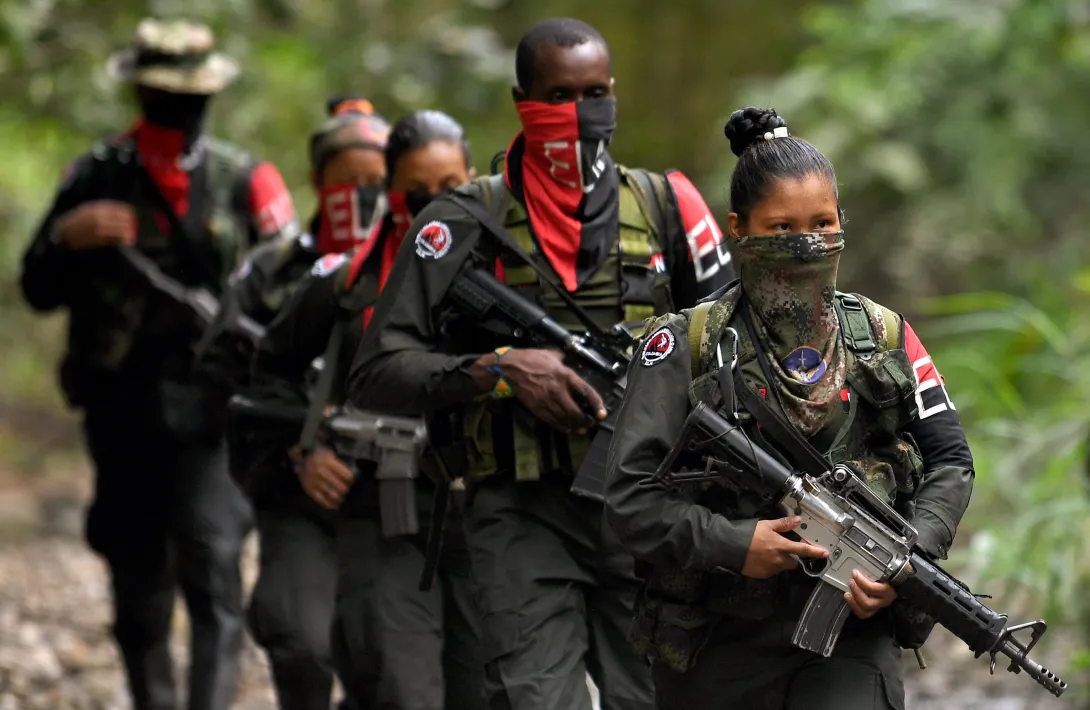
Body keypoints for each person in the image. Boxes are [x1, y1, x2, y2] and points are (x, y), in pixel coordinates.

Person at [348, 18, 737, 710]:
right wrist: (499, 369)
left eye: (595, 94)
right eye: (558, 95)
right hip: (521, 517)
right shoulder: (462, 221)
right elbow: (379, 370)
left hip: (646, 517)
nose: (580, 115)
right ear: (520, 98)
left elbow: (734, 352)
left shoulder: (668, 206)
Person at [604, 106, 976, 710]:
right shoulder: (687, 345)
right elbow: (626, 500)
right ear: (738, 227)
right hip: (718, 644)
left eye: (822, 223)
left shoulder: (881, 334)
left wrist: (905, 560)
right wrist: (733, 543)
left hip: (853, 638)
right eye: (781, 228)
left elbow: (951, 463)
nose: (806, 243)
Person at [18, 18, 299, 710]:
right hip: (123, 411)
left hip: (216, 411)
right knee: (138, 579)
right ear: (140, 91)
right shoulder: (94, 175)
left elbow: (297, 295)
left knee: (213, 565)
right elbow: (36, 286)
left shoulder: (247, 181)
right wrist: (66, 236)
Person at [253, 109, 483, 710]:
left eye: (450, 189)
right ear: (388, 191)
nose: (435, 205)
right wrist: (306, 443)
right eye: (415, 192)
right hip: (382, 512)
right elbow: (263, 376)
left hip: (488, 514)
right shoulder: (346, 280)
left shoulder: (510, 268)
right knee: (399, 688)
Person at [229, 97, 390, 710]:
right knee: (297, 635)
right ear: (319, 182)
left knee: (388, 663)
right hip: (296, 493)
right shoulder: (270, 274)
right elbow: (227, 387)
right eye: (347, 182)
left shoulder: (420, 266)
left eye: (377, 182)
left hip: (394, 500)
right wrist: (298, 444)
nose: (362, 195)